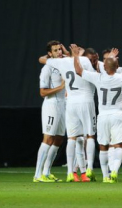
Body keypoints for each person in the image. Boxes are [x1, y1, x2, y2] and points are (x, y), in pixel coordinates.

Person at [71, 43, 122, 183]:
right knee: (118, 145)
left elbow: (79, 71)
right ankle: (114, 171)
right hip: (118, 115)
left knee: (103, 146)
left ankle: (105, 176)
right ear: (117, 67)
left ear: (104, 67)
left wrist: (75, 56)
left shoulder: (98, 78)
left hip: (103, 116)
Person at [39, 44, 97, 183]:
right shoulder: (85, 61)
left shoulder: (61, 62)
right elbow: (90, 77)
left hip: (70, 103)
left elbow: (41, 59)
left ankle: (71, 172)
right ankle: (89, 169)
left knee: (72, 138)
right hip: (85, 100)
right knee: (89, 136)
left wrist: (63, 55)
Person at [33, 40, 67, 183]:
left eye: (59, 49)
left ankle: (46, 172)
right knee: (48, 138)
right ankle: (37, 174)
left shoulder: (64, 63)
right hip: (51, 105)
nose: (59, 52)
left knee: (59, 138)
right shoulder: (47, 68)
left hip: (63, 105)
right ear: (49, 53)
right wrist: (60, 87)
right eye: (55, 50)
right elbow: (42, 92)